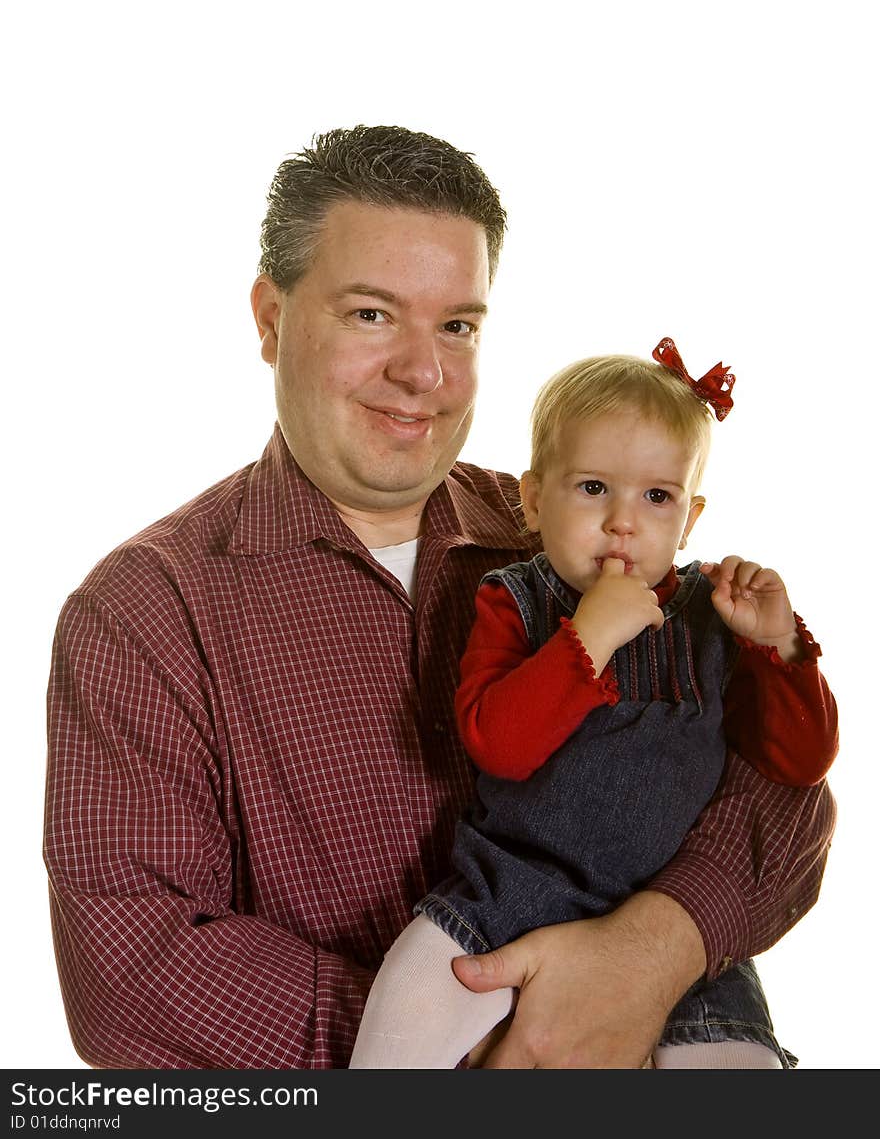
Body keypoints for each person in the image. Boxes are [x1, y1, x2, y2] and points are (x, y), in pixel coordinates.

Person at [45, 126, 836, 1070]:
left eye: (457, 325)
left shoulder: (576, 533)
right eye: (373, 314)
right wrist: (491, 1037)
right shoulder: (144, 611)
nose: (423, 372)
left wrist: (654, 953)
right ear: (269, 317)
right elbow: (132, 969)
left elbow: (785, 801)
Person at [349, 341, 838, 1069]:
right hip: (508, 891)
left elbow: (799, 762)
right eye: (591, 489)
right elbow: (499, 741)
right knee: (401, 1020)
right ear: (534, 498)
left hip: (675, 930)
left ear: (691, 517)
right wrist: (587, 638)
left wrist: (780, 650)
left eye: (656, 496)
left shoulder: (712, 616)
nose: (622, 522)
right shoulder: (514, 602)